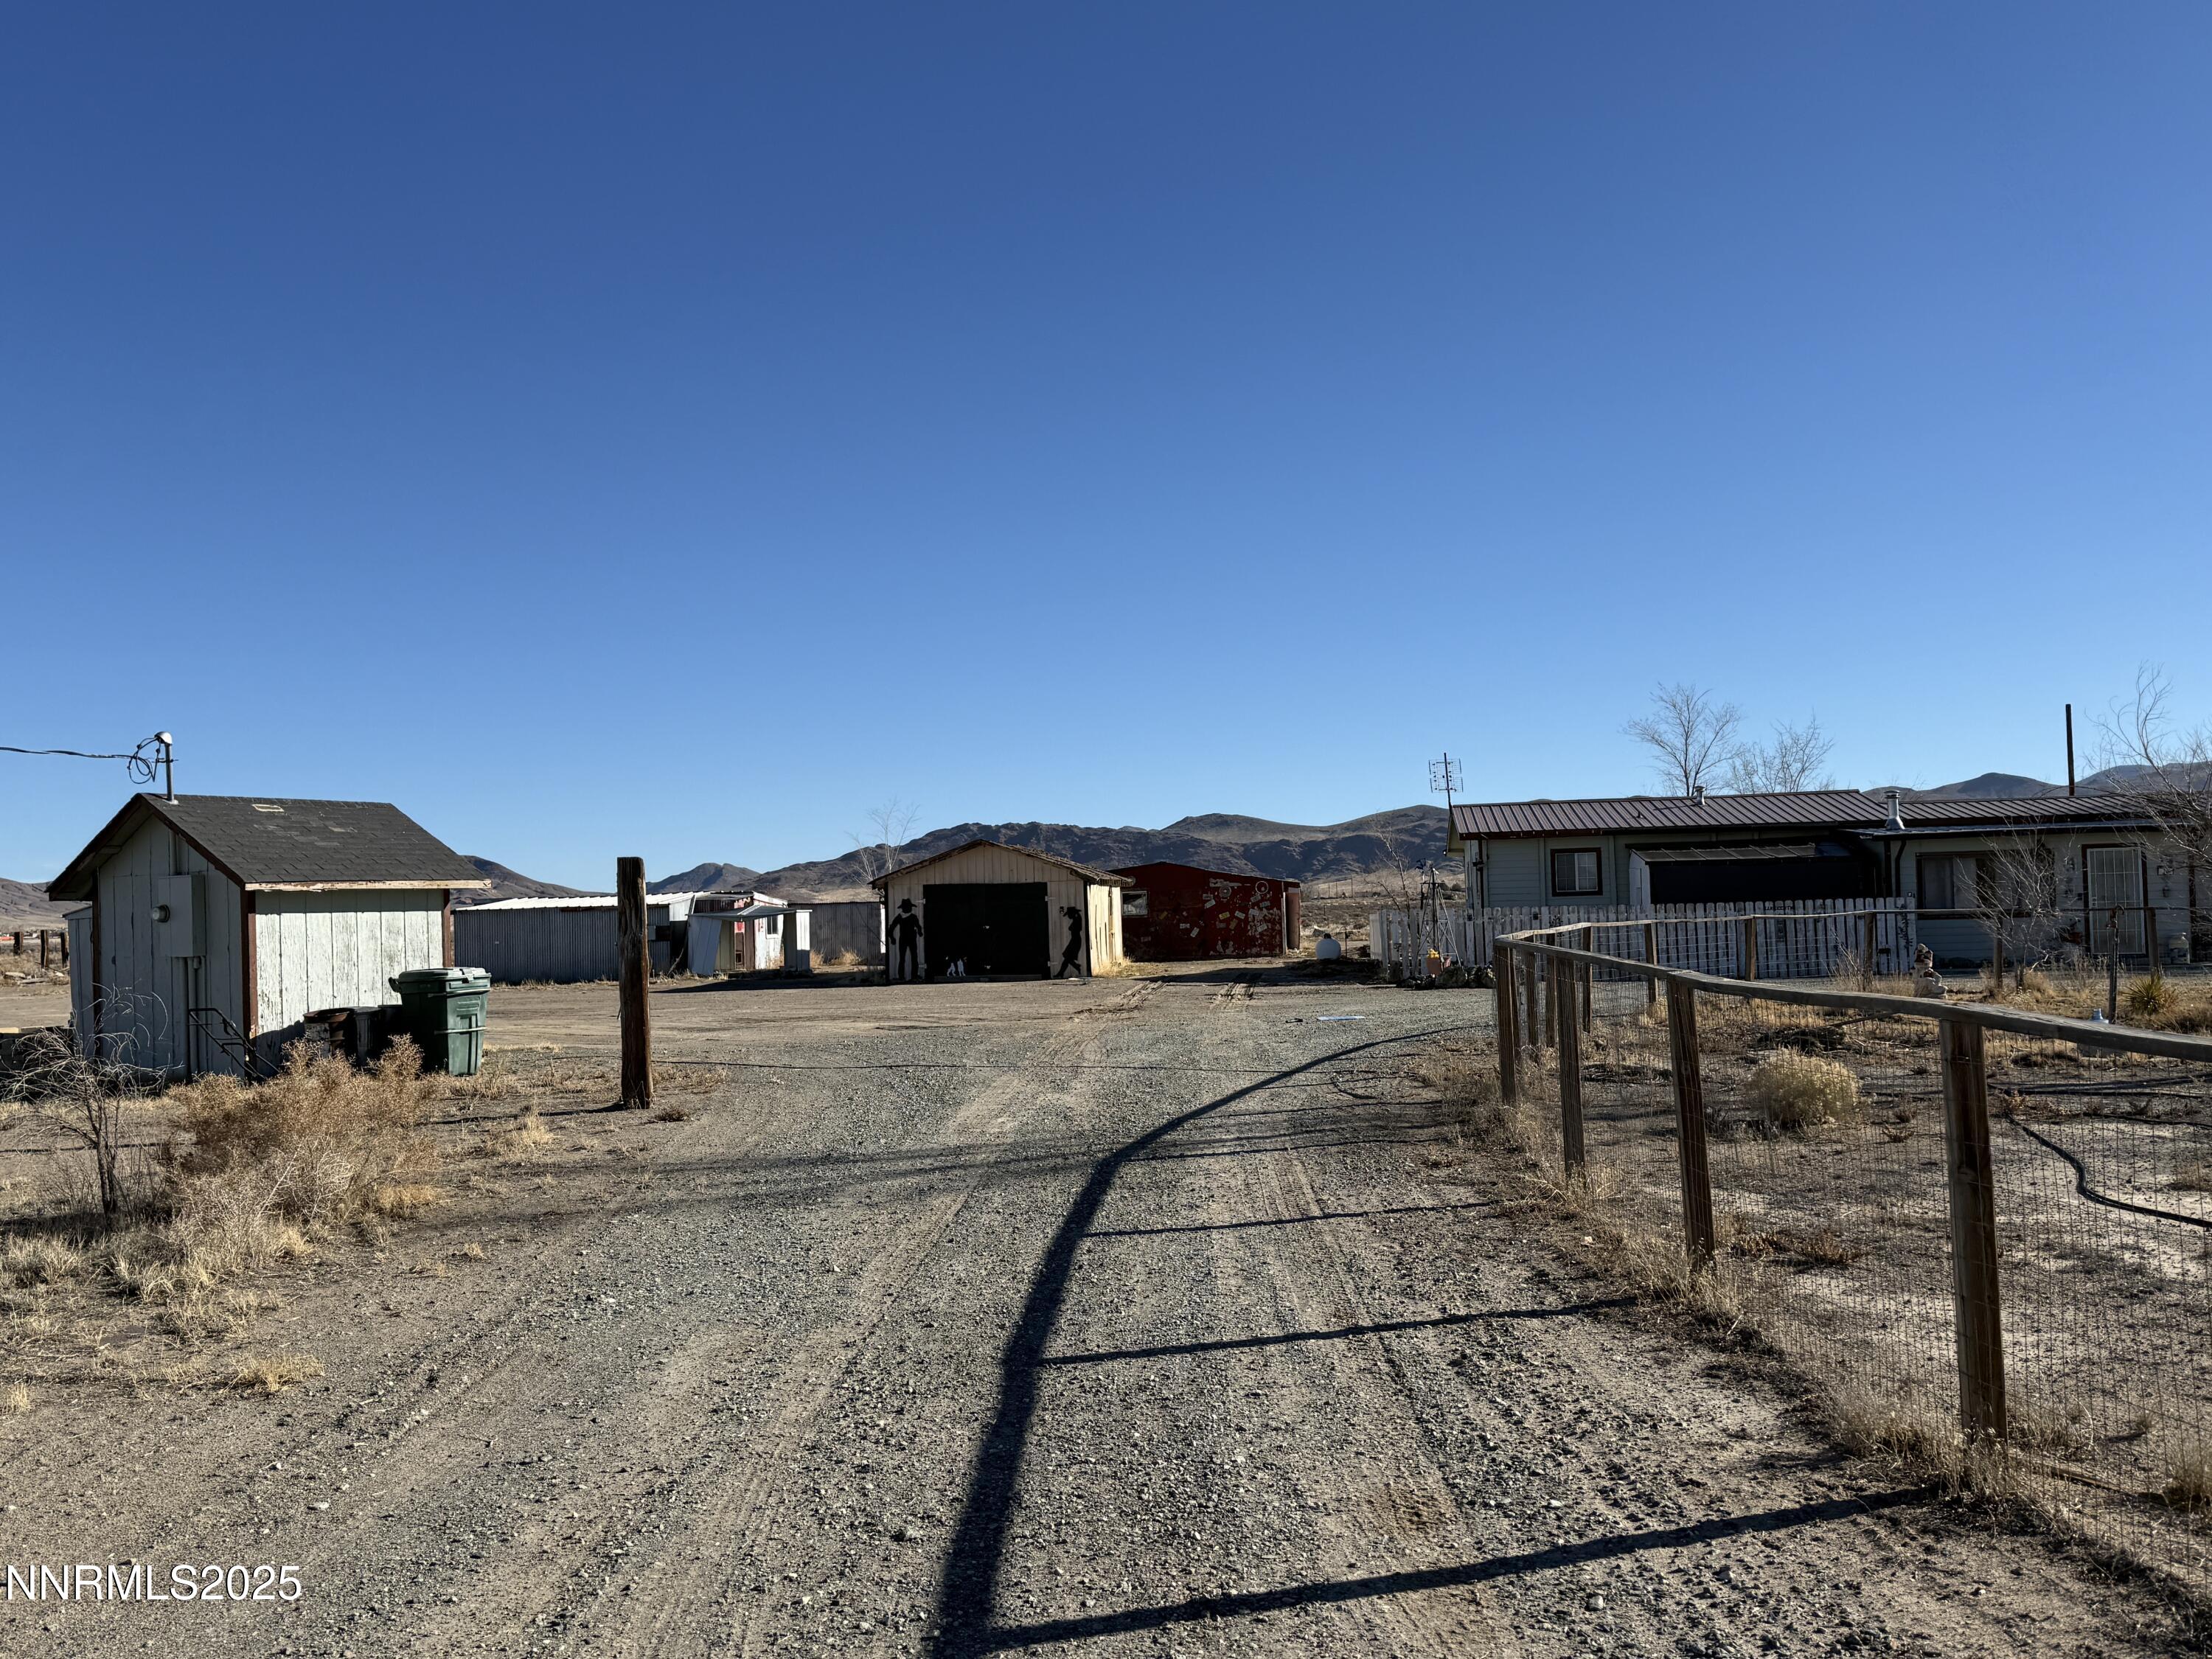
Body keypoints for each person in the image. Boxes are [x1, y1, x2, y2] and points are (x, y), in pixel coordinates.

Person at [889, 898, 923, 981]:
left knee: (909, 958)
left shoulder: (907, 917)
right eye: (908, 907)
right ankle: (907, 977)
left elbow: (919, 926)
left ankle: (911, 977)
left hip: (907, 939)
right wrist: (892, 938)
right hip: (907, 939)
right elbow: (891, 928)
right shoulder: (905, 917)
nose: (910, 909)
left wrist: (919, 932)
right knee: (907, 958)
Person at [1057, 905, 1085, 978]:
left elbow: (1073, 928)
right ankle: (1063, 972)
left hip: (1075, 940)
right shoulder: (1076, 918)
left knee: (1067, 957)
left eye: (1069, 914)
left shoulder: (1077, 919)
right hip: (1074, 940)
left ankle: (1062, 972)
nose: (1069, 916)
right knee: (1067, 957)